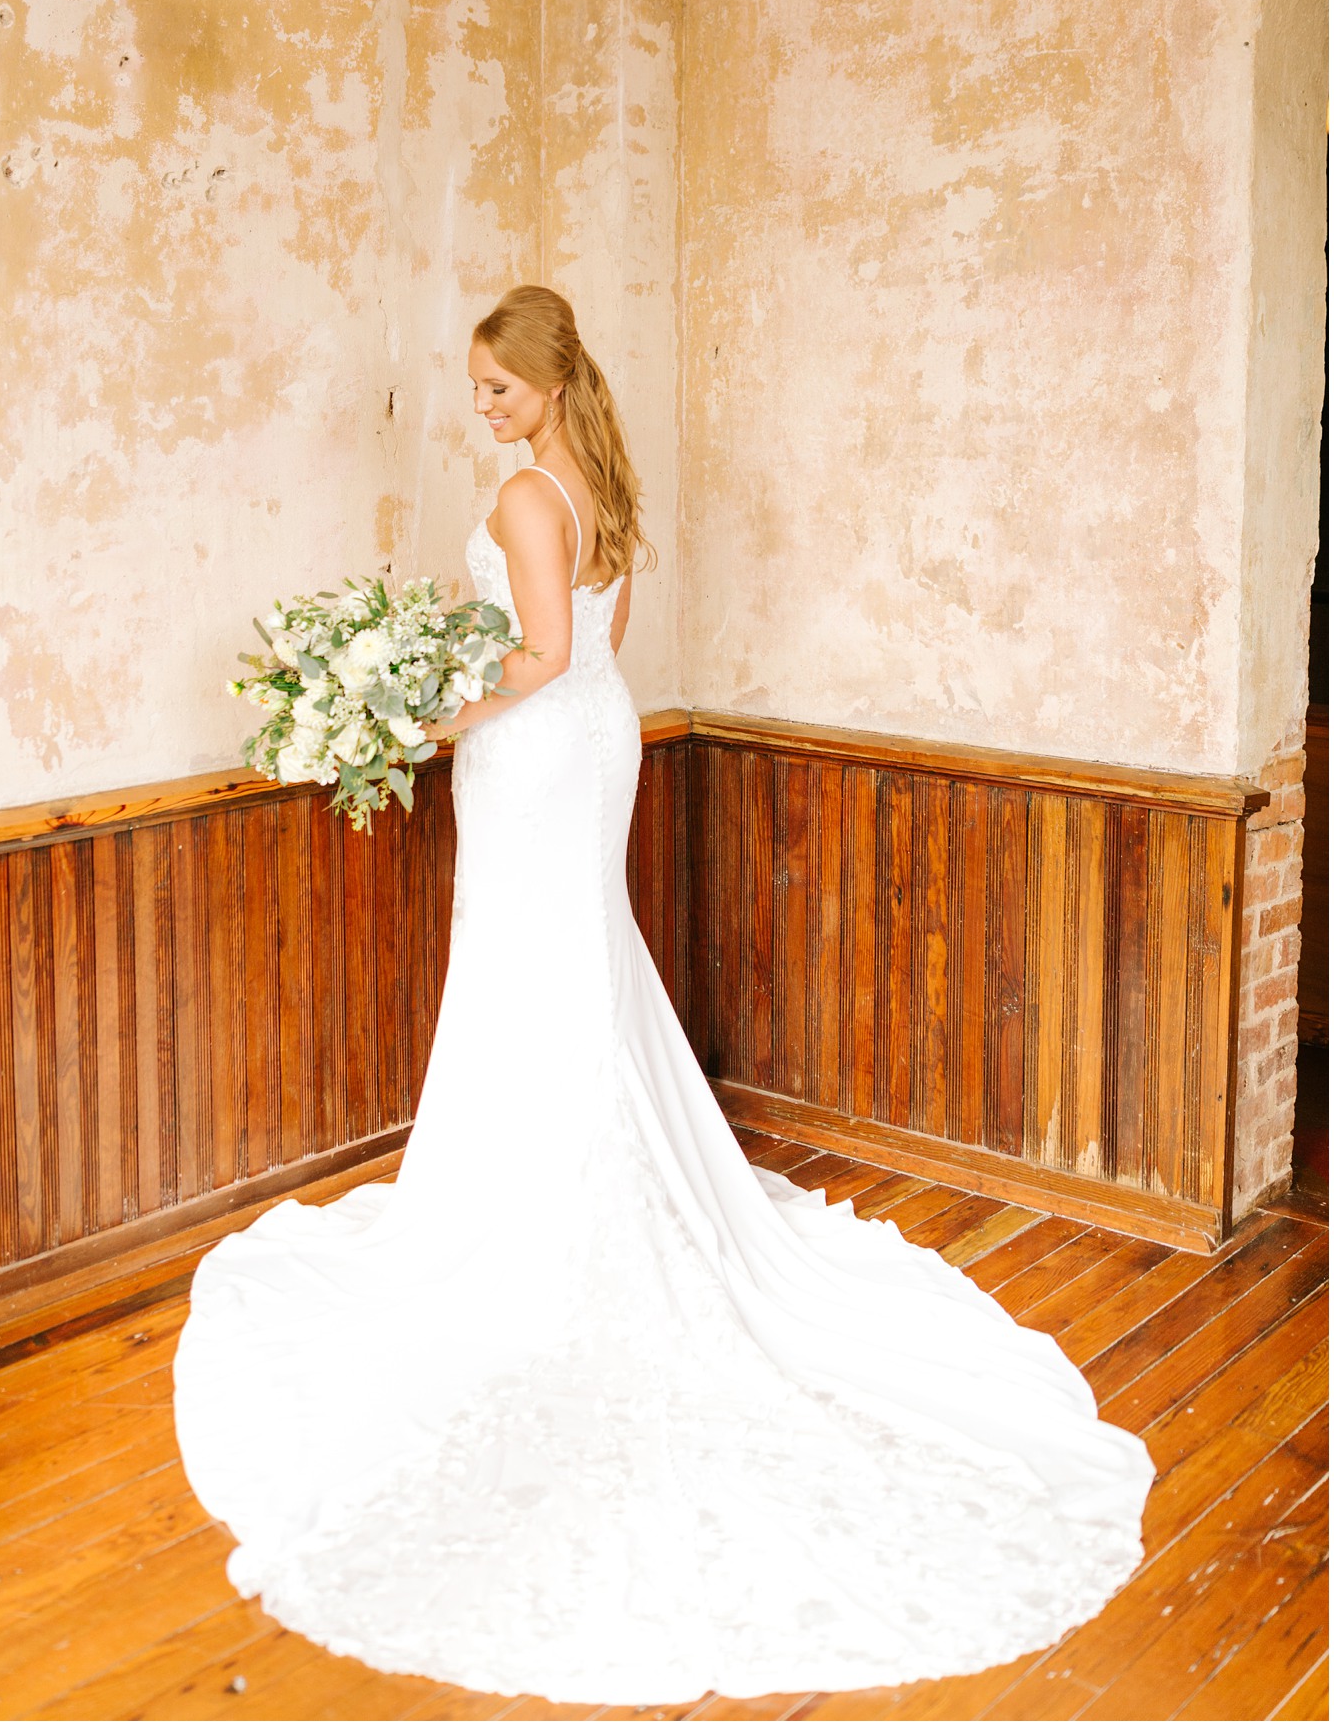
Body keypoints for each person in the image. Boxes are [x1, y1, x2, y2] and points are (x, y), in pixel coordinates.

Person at [173, 283, 1153, 1706]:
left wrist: (413, 714)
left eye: (500, 390)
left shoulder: (525, 492)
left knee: (530, 967)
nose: (485, 413)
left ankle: (531, 1207)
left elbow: (541, 656)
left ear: (549, 385)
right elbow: (593, 644)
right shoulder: (602, 486)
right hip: (597, 747)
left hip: (539, 750)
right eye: (479, 391)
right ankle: (569, 1169)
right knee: (567, 966)